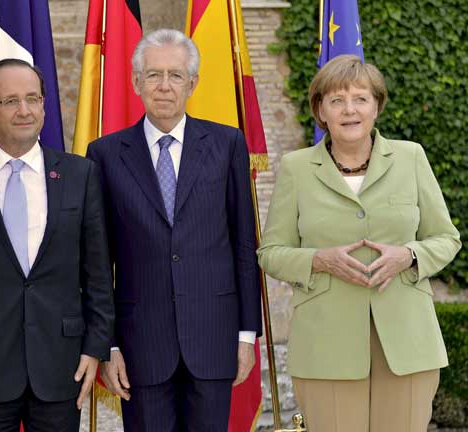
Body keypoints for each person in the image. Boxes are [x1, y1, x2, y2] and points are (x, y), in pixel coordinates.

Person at [257, 54, 461, 432]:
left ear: (376, 106)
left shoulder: (411, 157)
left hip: (407, 344)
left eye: (360, 99)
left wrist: (409, 255)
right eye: (337, 100)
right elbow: (271, 253)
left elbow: (447, 238)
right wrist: (319, 260)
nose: (349, 110)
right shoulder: (296, 168)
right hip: (325, 346)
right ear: (321, 110)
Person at [85, 29, 262, 432]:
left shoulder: (227, 144)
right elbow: (97, 261)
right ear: (136, 82)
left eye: (176, 75)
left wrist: (246, 335)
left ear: (192, 83)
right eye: (153, 75)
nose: (164, 86)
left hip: (213, 338)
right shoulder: (105, 154)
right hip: (140, 344)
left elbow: (243, 244)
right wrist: (109, 343)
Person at [0, 58, 114, 432]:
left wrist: (95, 348)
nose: (24, 110)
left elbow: (97, 273)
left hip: (62, 366)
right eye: (10, 101)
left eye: (32, 99)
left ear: (44, 105)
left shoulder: (80, 175)